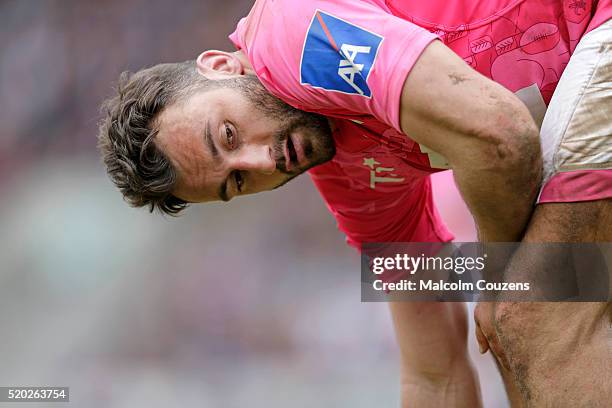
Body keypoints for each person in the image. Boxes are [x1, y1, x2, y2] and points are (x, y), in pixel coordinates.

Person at [97, 0, 612, 406]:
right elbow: (433, 374)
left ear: (220, 65)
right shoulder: (347, 178)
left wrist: (503, 276)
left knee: (533, 308)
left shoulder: (293, 36)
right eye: (235, 182)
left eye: (228, 134)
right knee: (521, 325)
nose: (260, 162)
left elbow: (497, 134)